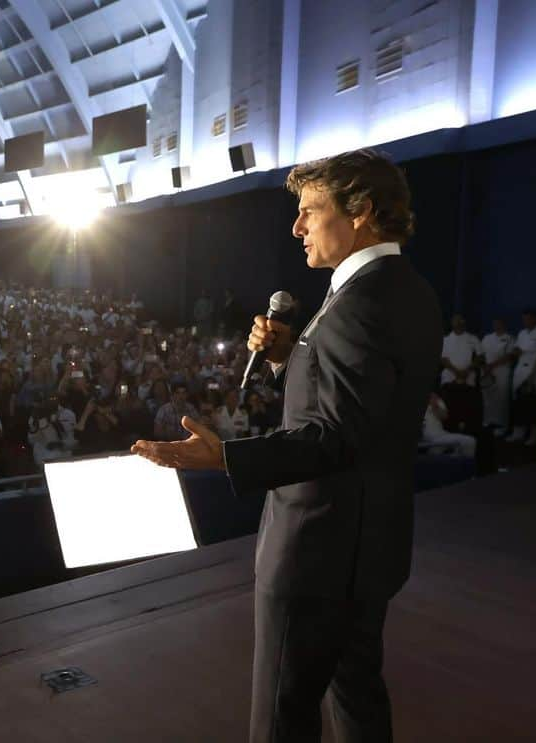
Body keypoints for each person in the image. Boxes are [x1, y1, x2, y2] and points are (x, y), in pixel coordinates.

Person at [132, 149, 443, 743]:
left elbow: (334, 435)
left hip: (317, 548)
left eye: (310, 211)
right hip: (372, 540)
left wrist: (226, 456)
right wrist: (286, 356)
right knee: (356, 696)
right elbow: (365, 407)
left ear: (362, 213)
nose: (297, 227)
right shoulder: (407, 290)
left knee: (282, 715)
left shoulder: (357, 303)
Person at [507, 309, 536, 445]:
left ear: (534, 319)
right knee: (518, 404)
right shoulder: (522, 333)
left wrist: (532, 376)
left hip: (533, 372)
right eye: (524, 319)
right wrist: (513, 351)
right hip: (520, 370)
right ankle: (518, 432)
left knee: (532, 405)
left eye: (527, 319)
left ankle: (534, 435)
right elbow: (518, 350)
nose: (525, 321)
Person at [479, 318, 515, 433]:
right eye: (495, 323)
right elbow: (481, 354)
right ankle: (487, 420)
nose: (496, 325)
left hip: (502, 371)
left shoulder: (510, 338)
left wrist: (492, 365)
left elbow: (509, 356)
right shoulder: (487, 337)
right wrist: (485, 367)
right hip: (486, 371)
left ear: (504, 324)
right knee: (487, 397)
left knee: (502, 398)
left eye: (499, 323)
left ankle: (502, 425)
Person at [420, 392, 477, 458]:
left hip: (439, 436)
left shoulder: (436, 399)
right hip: (426, 438)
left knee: (470, 441)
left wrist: (434, 405)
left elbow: (444, 416)